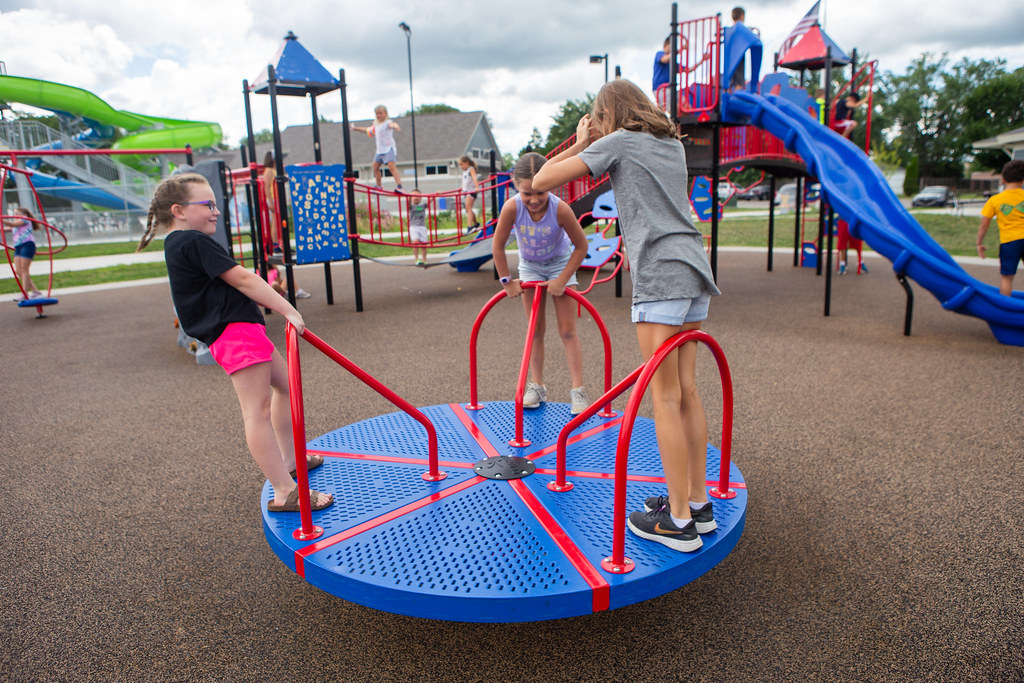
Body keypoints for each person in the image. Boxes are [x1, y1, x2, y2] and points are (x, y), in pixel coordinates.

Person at [532, 79, 722, 553]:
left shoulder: (617, 142)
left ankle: (677, 523)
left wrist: (581, 144)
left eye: (597, 115)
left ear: (608, 114)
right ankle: (698, 505)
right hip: (695, 267)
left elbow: (539, 182)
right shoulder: (671, 144)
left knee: (663, 398)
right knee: (688, 392)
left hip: (660, 273)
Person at [136, 173, 333, 513]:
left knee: (286, 387)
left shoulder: (180, 242)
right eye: (207, 205)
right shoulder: (191, 241)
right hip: (235, 332)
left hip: (241, 329)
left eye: (217, 204)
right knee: (255, 411)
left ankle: (288, 460)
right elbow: (242, 278)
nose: (216, 212)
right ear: (179, 210)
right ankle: (285, 491)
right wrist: (287, 309)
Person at [492, 152, 591, 416]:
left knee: (567, 329)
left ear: (551, 187)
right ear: (516, 186)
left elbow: (581, 246)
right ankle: (537, 386)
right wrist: (506, 281)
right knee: (535, 329)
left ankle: (578, 390)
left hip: (560, 263)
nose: (534, 200)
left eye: (541, 192)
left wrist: (561, 279)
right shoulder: (512, 208)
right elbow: (498, 246)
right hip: (531, 265)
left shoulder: (560, 209)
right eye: (527, 194)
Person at [977, 159, 1024, 296]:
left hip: (1009, 242)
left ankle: (1006, 308)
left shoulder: (995, 200)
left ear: (1003, 179)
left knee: (1007, 277)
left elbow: (984, 224)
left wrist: (979, 242)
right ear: (1022, 180)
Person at [351, 105, 403, 192]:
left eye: (380, 114)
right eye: (377, 114)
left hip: (388, 148)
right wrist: (355, 128)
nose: (379, 115)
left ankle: (400, 186)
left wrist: (396, 126)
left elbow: (392, 124)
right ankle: (379, 185)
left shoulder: (387, 123)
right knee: (375, 167)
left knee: (391, 167)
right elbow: (367, 130)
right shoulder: (377, 125)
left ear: (385, 114)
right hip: (380, 151)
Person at [3, 206, 43, 301]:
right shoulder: (16, 224)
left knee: (24, 269)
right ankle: (35, 291)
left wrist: (2, 220)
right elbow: (5, 228)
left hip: (27, 245)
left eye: (16, 214)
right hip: (19, 247)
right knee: (19, 271)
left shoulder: (25, 220)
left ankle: (24, 293)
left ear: (23, 215)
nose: (14, 215)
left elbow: (12, 224)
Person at [261, 152, 282, 254]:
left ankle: (279, 243)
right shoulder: (269, 171)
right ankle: (275, 244)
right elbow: (266, 188)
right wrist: (270, 202)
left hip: (277, 197)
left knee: (279, 221)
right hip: (273, 198)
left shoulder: (273, 170)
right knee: (275, 222)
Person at [408, 189, 429, 266]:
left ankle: (424, 259)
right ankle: (417, 259)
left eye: (418, 196)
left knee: (423, 244)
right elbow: (408, 202)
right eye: (414, 196)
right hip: (414, 226)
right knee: (415, 242)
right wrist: (409, 196)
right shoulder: (411, 206)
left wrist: (437, 194)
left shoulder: (422, 206)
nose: (416, 198)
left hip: (422, 226)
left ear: (421, 198)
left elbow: (429, 202)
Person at [459, 156, 481, 228]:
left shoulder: (471, 169)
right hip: (467, 191)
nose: (461, 166)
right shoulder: (465, 171)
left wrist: (477, 187)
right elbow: (467, 181)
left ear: (467, 163)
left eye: (462, 164)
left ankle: (470, 227)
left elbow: (474, 178)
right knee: (468, 209)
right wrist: (462, 188)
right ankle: (476, 224)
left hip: (471, 192)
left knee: (468, 210)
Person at [729, 7, 746, 92]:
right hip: (739, 58)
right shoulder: (742, 29)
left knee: (728, 82)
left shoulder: (729, 30)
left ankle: (726, 100)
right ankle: (737, 100)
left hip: (729, 59)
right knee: (738, 83)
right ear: (742, 16)